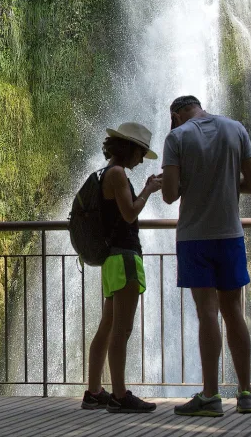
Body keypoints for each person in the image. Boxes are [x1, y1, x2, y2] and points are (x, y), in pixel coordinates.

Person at [161, 95, 251, 416]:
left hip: (194, 238)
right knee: (234, 312)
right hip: (230, 235)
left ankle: (211, 396)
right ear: (199, 106)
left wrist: (189, 182)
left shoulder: (176, 137)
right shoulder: (236, 129)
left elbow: (169, 195)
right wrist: (228, 183)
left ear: (176, 116)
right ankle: (246, 394)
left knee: (207, 313)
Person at [82, 122, 162, 413]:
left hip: (112, 260)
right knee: (122, 329)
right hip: (125, 257)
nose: (141, 159)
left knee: (107, 326)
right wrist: (149, 190)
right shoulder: (117, 174)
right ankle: (119, 395)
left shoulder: (107, 173)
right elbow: (129, 214)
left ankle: (93, 391)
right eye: (141, 153)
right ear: (130, 149)